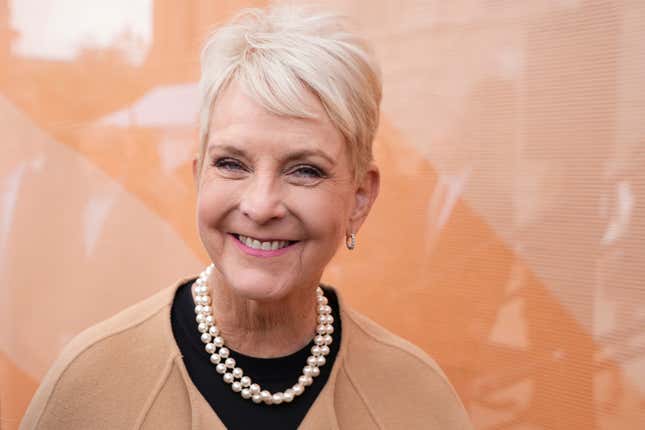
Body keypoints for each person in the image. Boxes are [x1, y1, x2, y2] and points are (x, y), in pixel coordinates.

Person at [21, 5, 472, 429]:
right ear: (199, 176)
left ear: (359, 197)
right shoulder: (91, 387)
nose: (260, 205)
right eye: (232, 163)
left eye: (305, 170)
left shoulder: (417, 398)